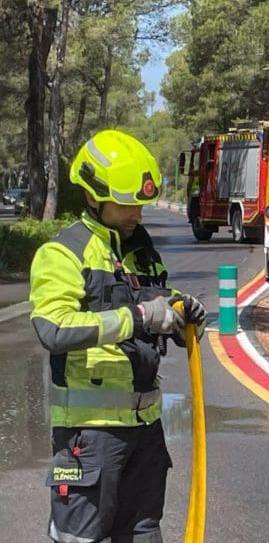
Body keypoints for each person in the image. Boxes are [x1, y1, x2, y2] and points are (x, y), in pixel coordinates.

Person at [29, 129, 208, 543]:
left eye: (140, 204)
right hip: (90, 435)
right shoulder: (63, 254)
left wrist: (181, 315)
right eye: (127, 204)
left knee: (143, 532)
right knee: (81, 537)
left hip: (145, 431)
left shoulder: (142, 253)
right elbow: (54, 328)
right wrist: (140, 317)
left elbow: (153, 307)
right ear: (92, 196)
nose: (137, 215)